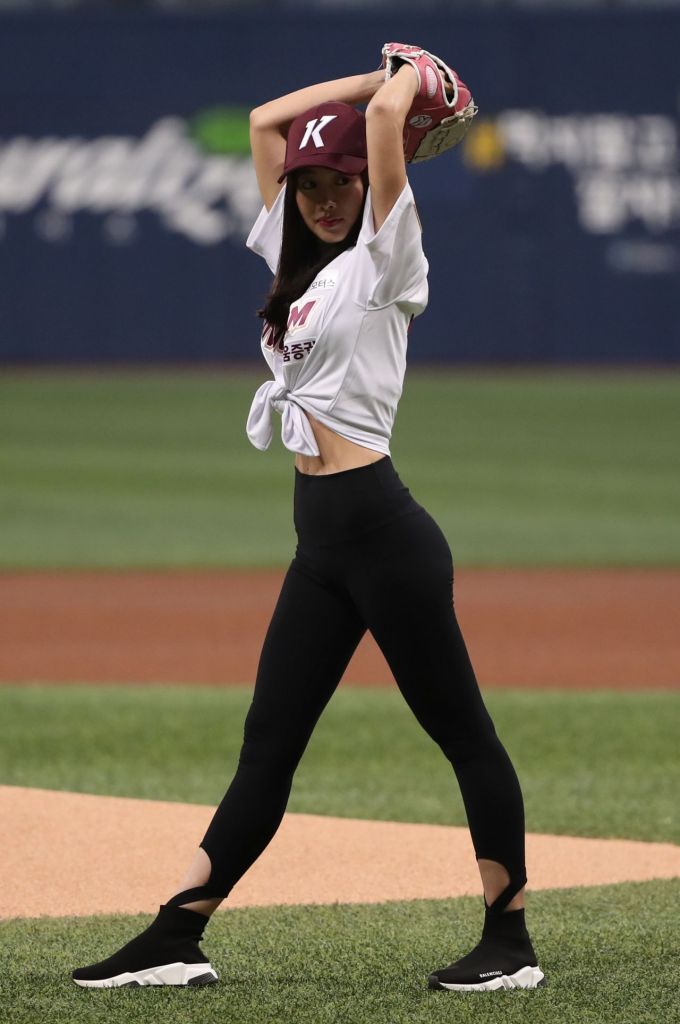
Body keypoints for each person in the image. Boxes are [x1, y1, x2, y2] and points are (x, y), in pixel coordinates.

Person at [72, 59, 544, 993]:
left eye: (343, 183)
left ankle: (510, 941)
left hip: (387, 540)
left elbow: (384, 125)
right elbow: (262, 123)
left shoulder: (385, 260)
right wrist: (366, 78)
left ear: (372, 186)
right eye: (312, 185)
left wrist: (403, 82)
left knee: (463, 735)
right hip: (322, 548)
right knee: (269, 746)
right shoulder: (300, 268)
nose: (327, 199)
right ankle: (175, 936)